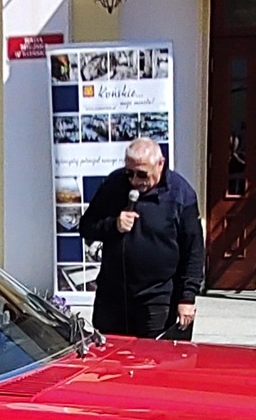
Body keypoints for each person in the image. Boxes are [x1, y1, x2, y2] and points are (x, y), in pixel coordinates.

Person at [78, 137, 204, 339]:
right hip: (113, 297)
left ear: (160, 164)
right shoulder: (114, 185)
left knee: (153, 355)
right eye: (129, 173)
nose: (135, 181)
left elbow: (194, 251)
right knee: (111, 354)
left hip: (156, 298)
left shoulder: (180, 194)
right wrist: (113, 225)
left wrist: (187, 298)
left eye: (142, 174)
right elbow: (86, 227)